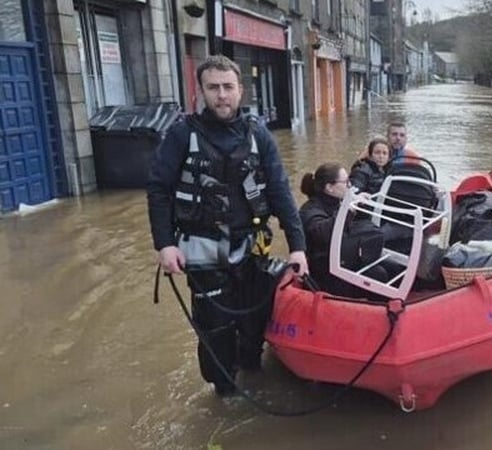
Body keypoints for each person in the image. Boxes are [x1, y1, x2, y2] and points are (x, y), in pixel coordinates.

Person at [146, 55, 308, 396]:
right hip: (202, 250)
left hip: (252, 247)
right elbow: (159, 190)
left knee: (254, 322)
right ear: (201, 91)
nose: (221, 95)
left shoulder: (258, 135)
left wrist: (297, 247)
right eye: (213, 87)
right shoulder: (181, 134)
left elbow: (279, 190)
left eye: (228, 87)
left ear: (240, 91)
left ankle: (252, 370)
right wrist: (165, 244)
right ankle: (225, 391)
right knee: (216, 329)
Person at [299, 163, 388, 299]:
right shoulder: (309, 210)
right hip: (326, 273)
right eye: (346, 182)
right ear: (329, 188)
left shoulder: (335, 202)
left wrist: (361, 205)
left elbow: (355, 227)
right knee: (378, 274)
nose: (350, 186)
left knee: (390, 266)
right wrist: (349, 209)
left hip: (341, 260)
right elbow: (323, 234)